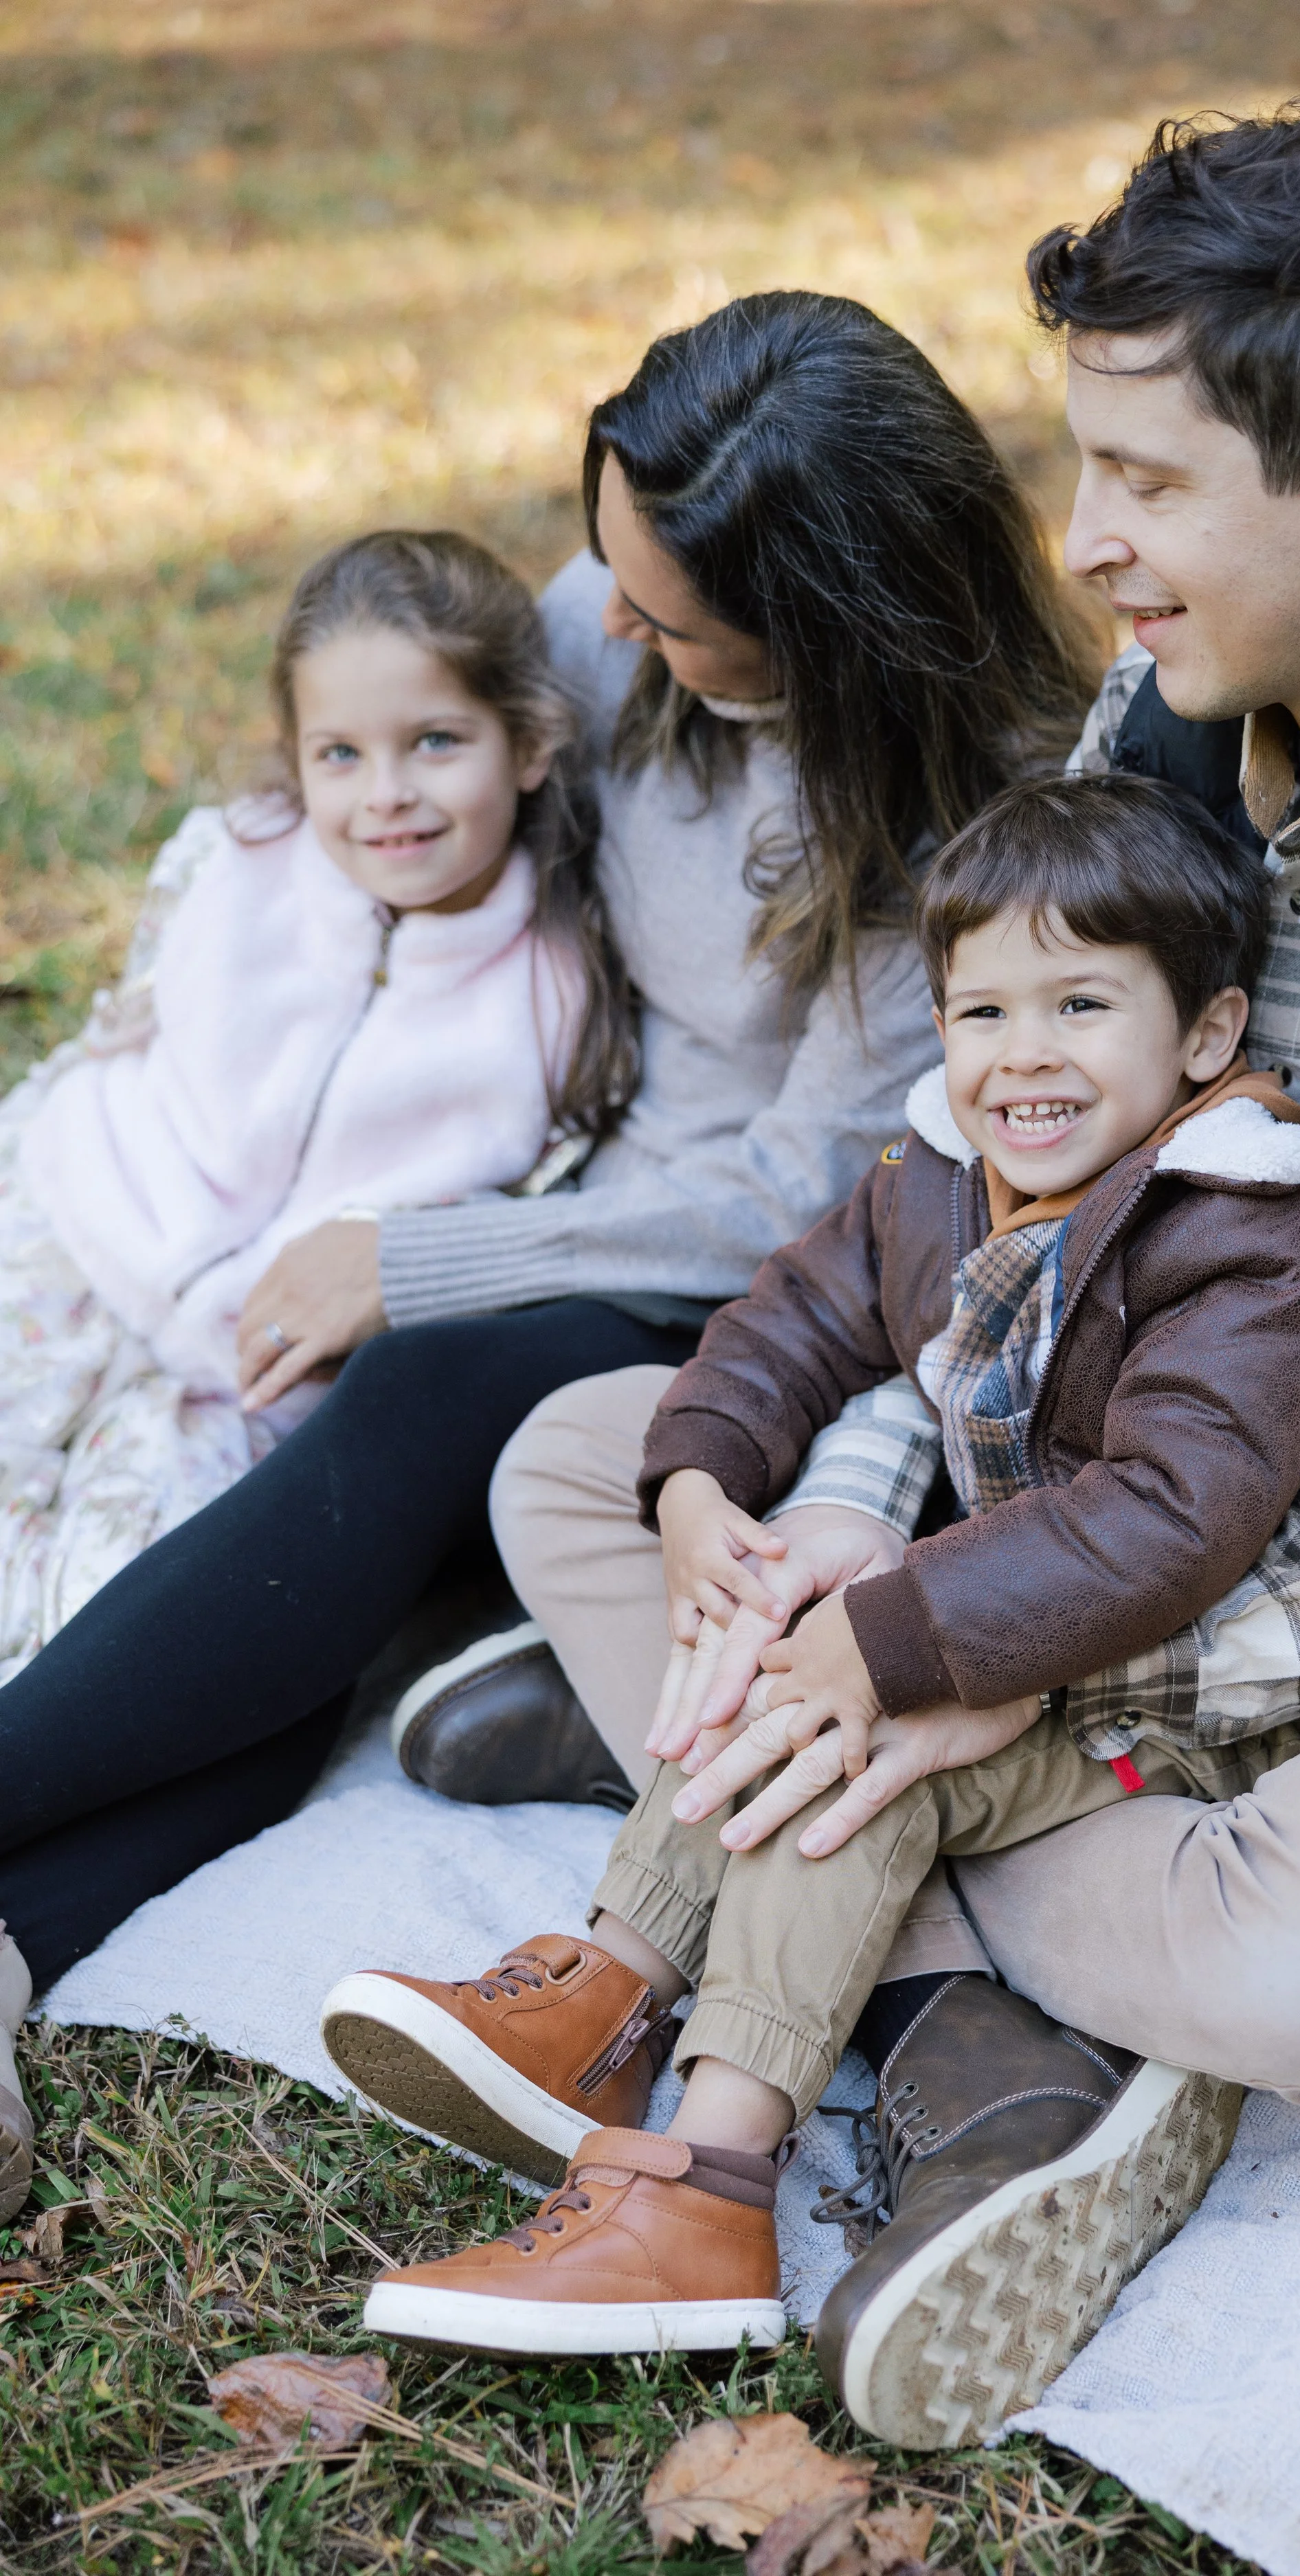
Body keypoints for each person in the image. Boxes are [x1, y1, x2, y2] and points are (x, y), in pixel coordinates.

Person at [406, 82, 1300, 2446]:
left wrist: (1003, 1648)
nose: (1084, 545)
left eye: (1145, 477)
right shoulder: (1171, 701)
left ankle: (738, 1844)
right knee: (597, 1468)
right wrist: (825, 1537)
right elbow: (983, 1220)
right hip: (1124, 1464)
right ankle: (956, 2009)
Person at [0, 289, 1096, 2222]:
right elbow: (437, 742)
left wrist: (426, 1256)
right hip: (553, 1175)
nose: (606, 636)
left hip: (746, 1277)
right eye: (609, 575)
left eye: (670, 620)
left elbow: (795, 1192)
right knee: (318, 1605)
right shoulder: (615, 614)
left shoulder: (965, 820)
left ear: (831, 623)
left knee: (409, 1404)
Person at [324, 767, 1300, 2378]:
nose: (1019, 1055)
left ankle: (708, 2176)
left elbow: (1169, 1523)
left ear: (1203, 1036)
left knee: (853, 1748)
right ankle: (611, 1994)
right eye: (979, 1010)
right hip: (1011, 1605)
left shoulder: (1245, 1240)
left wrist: (893, 1639)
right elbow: (793, 1317)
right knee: (800, 1644)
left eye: (1079, 1003)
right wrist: (701, 1483)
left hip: (1197, 1692)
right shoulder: (940, 1173)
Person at [0, 523, 614, 2212]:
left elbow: (514, 1213)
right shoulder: (236, 869)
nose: (384, 796)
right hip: (75, 1242)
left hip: (260, 1366)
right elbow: (116, 1065)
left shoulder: (561, 984)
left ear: (530, 744)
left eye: (435, 743)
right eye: (338, 753)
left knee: (170, 1644)